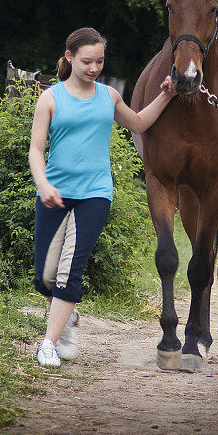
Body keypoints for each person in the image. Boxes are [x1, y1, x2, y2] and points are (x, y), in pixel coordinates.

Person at [29, 27, 175, 367]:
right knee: (45, 277)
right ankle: (68, 317)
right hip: (54, 193)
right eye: (86, 61)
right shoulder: (51, 98)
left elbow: (138, 123)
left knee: (68, 273)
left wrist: (166, 95)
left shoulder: (108, 96)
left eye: (99, 61)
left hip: (95, 194)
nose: (94, 68)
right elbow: (36, 150)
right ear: (69, 58)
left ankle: (48, 343)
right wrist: (43, 184)